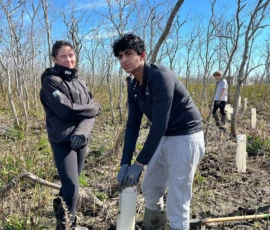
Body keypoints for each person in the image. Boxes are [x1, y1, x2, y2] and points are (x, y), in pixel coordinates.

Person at [113, 33, 205, 230]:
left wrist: (139, 164)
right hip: (164, 136)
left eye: (128, 54)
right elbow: (132, 126)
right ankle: (155, 225)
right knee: (151, 189)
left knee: (177, 200)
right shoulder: (133, 86)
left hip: (186, 136)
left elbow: (159, 124)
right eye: (120, 56)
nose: (124, 60)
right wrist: (124, 163)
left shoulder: (160, 77)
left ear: (142, 55)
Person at [40, 40, 101, 230]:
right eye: (63, 56)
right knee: (72, 188)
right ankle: (68, 227)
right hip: (63, 140)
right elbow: (66, 110)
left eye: (71, 55)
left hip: (81, 139)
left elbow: (91, 112)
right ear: (54, 59)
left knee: (69, 186)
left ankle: (61, 222)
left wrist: (83, 130)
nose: (69, 60)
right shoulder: (51, 82)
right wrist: (94, 107)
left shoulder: (79, 80)